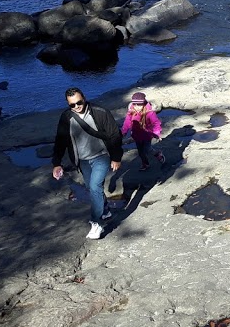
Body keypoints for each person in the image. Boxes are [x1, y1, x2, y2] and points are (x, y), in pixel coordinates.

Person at [51, 87, 123, 240]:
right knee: (92, 188)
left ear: (84, 97)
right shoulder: (66, 117)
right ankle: (106, 210)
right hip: (82, 160)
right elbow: (60, 141)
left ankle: (96, 222)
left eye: (79, 102)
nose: (77, 106)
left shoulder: (100, 112)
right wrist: (57, 163)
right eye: (72, 105)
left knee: (95, 186)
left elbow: (115, 135)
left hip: (101, 156)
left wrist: (116, 158)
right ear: (67, 104)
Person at [121, 91, 165, 171]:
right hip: (136, 135)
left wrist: (157, 133)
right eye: (135, 104)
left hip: (147, 135)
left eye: (139, 105)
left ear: (144, 103)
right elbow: (127, 122)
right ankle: (145, 164)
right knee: (140, 151)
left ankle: (157, 154)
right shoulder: (131, 111)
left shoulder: (150, 113)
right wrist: (124, 131)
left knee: (147, 149)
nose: (137, 107)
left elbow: (156, 123)